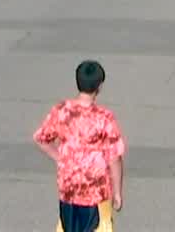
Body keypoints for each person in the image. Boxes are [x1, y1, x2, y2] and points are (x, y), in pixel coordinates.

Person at [33, 60, 126, 232]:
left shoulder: (61, 111)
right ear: (99, 86)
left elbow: (41, 138)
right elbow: (114, 158)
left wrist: (60, 158)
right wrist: (117, 192)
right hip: (96, 191)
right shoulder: (104, 118)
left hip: (68, 188)